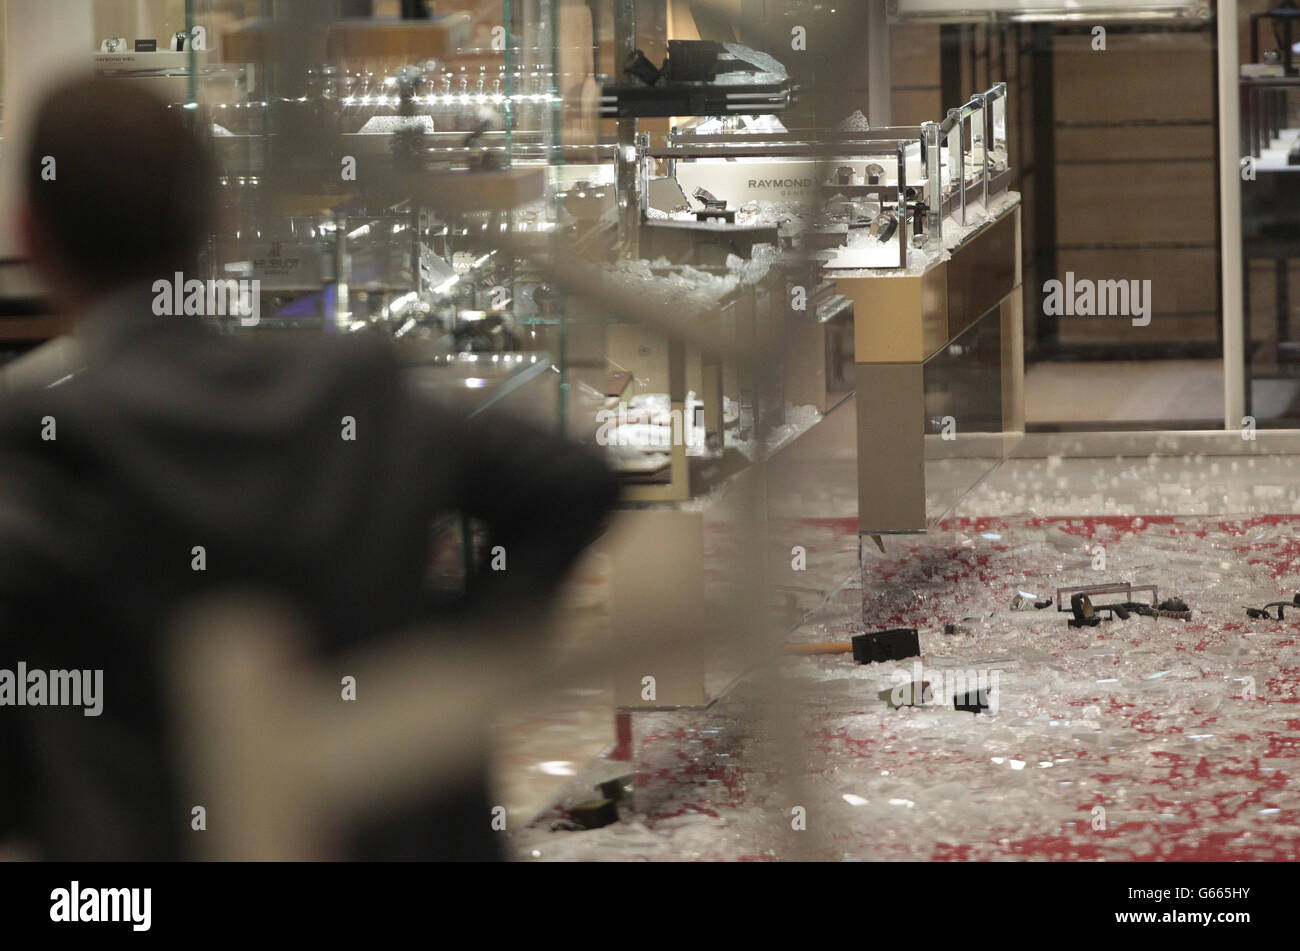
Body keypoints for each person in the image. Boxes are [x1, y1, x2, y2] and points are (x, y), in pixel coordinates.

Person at [0, 76, 618, 860]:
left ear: (32, 233)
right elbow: (570, 481)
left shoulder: (44, 448)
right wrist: (448, 666)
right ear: (216, 224)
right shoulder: (351, 388)